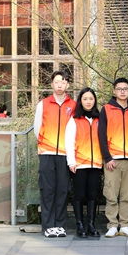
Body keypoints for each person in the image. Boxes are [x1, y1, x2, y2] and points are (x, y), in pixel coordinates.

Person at [33, 71, 76, 238]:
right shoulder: (43, 104)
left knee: (63, 190)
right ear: (51, 84)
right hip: (47, 153)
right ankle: (48, 225)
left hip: (66, 154)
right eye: (57, 82)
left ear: (67, 85)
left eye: (63, 82)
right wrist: (47, 144)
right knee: (48, 189)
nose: (60, 85)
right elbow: (37, 129)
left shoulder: (73, 105)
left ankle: (60, 225)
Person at [98, 78, 128, 238]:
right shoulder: (106, 109)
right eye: (119, 89)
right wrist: (107, 157)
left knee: (127, 194)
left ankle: (126, 225)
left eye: (125, 89)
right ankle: (112, 225)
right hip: (112, 159)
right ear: (114, 91)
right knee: (111, 193)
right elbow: (101, 135)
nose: (122, 91)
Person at [65, 88, 102, 239]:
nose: (88, 102)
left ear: (94, 101)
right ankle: (80, 225)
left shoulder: (99, 119)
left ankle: (91, 224)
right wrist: (71, 162)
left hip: (96, 164)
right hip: (79, 164)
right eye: (85, 99)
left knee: (93, 195)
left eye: (91, 99)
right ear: (81, 101)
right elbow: (69, 142)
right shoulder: (74, 120)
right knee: (79, 195)